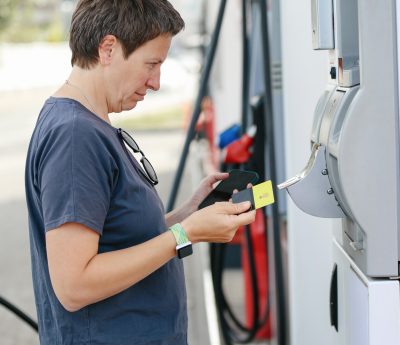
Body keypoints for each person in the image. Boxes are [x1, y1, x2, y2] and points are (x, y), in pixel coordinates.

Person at [25, 1, 256, 344]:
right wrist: (184, 235)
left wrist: (185, 216)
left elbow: (115, 238)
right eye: (152, 64)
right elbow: (74, 285)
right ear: (108, 49)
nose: (156, 82)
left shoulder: (89, 124)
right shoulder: (75, 136)